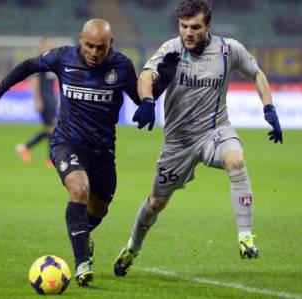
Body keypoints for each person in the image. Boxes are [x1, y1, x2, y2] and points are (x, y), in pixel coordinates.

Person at [0, 18, 169, 287]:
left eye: (100, 47)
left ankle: (83, 234)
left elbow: (139, 96)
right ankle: (81, 263)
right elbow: (29, 66)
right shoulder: (63, 57)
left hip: (102, 151)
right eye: (89, 46)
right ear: (80, 39)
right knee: (79, 189)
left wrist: (148, 100)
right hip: (67, 142)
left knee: (99, 210)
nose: (94, 53)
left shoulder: (121, 66)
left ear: (110, 44)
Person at [113, 0, 283, 277]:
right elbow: (145, 75)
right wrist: (146, 101)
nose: (188, 33)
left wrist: (269, 107)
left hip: (215, 131)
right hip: (178, 143)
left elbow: (257, 73)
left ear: (209, 26)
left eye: (194, 27)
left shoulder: (229, 49)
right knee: (156, 202)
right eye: (183, 27)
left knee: (237, 161)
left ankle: (246, 237)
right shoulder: (171, 49)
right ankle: (132, 247)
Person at [16, 38, 58, 167]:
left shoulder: (53, 62)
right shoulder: (40, 61)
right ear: (43, 46)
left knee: (51, 129)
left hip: (50, 98)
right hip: (44, 99)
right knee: (52, 129)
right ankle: (49, 159)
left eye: (52, 45)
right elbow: (34, 81)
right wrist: (37, 100)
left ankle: (26, 147)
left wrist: (55, 98)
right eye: (49, 45)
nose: (51, 47)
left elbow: (52, 82)